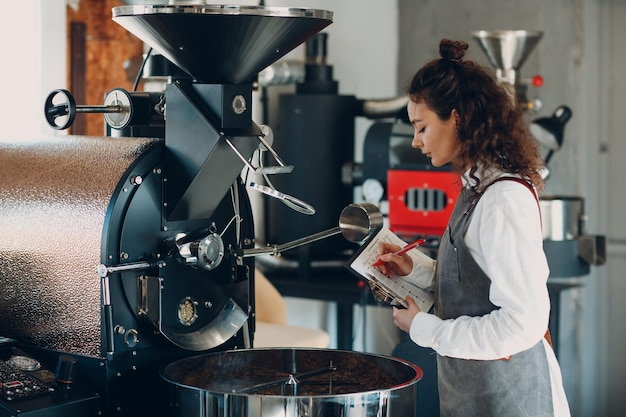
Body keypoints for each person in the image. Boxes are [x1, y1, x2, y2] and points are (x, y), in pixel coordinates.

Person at [376, 39, 570, 417]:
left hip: (513, 400)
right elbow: (474, 286)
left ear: (457, 119)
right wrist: (413, 268)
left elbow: (523, 323)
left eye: (422, 127)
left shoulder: (501, 200)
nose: (415, 141)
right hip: (477, 396)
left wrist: (424, 330)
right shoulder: (474, 188)